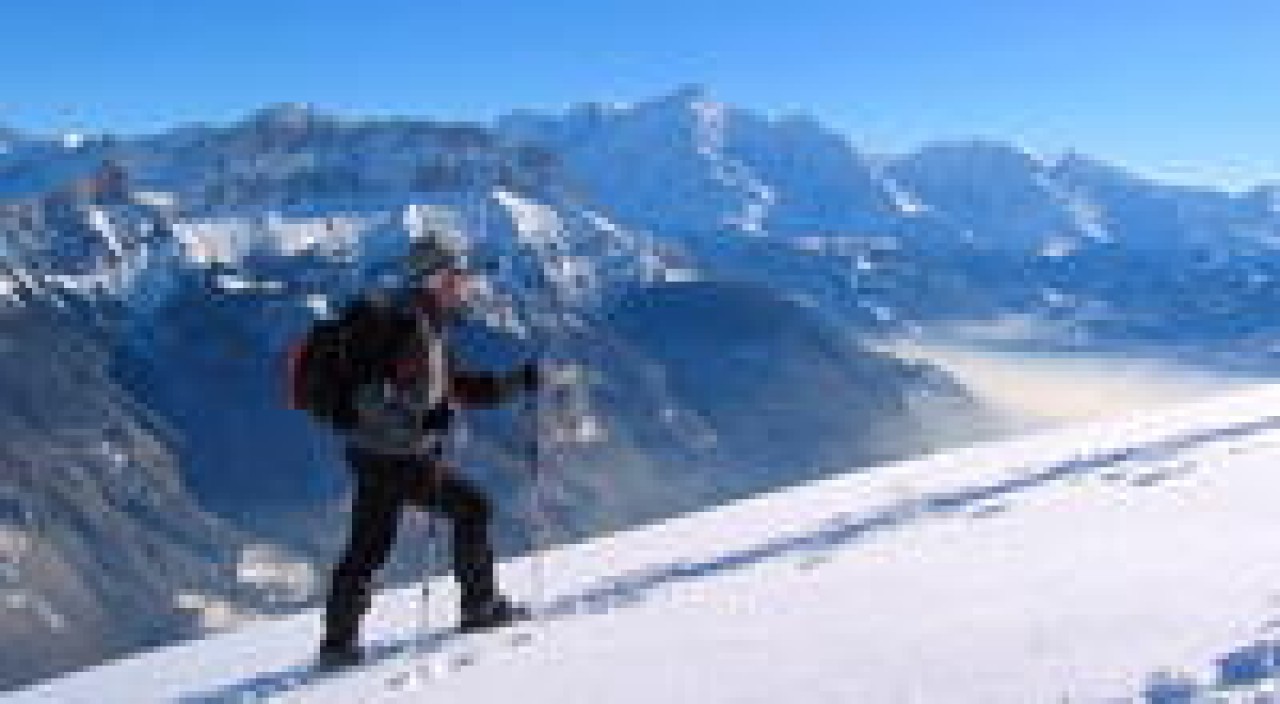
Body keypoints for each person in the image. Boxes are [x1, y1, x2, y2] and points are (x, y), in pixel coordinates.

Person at [318, 235, 538, 669]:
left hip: (375, 453)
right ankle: (481, 606)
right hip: (394, 455)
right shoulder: (408, 326)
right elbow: (371, 399)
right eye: (458, 276)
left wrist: (517, 382)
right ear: (436, 279)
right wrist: (420, 422)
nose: (466, 284)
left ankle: (338, 645)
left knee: (369, 544)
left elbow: (456, 389)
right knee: (473, 509)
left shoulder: (427, 325)